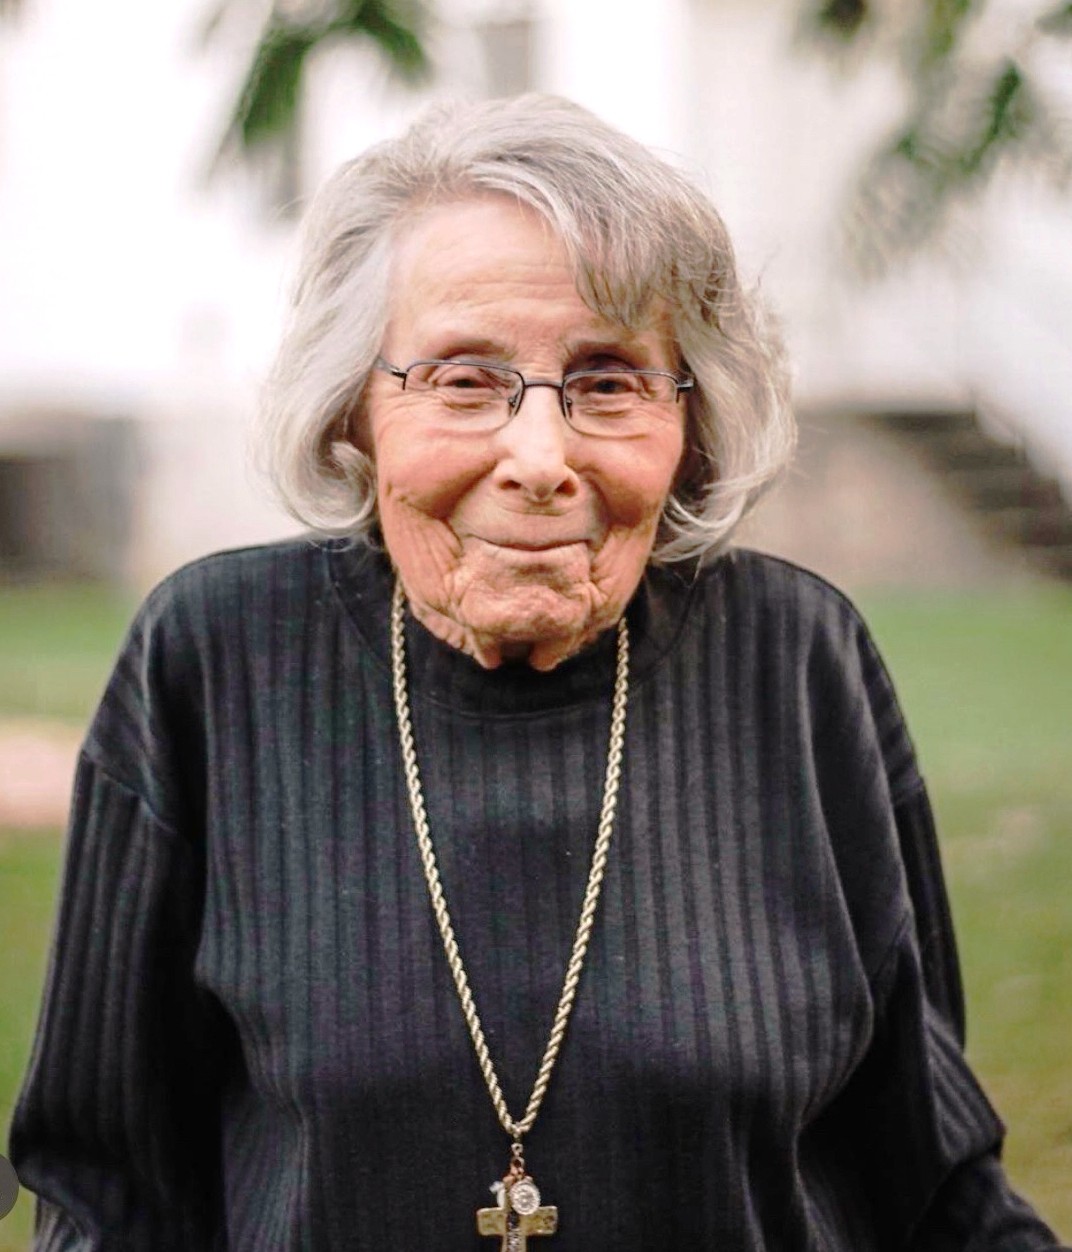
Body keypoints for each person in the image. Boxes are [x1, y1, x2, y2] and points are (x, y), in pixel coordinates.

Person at [9, 94, 1066, 1251]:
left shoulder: (799, 660)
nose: (539, 457)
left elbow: (930, 1185)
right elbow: (105, 1193)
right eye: (465, 380)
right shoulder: (215, 660)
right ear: (354, 408)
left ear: (691, 422)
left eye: (608, 381)